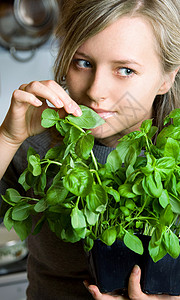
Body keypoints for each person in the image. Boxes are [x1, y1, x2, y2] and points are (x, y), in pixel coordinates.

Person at [0, 0, 180, 299]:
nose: (96, 90)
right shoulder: (35, 146)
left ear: (166, 78)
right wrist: (7, 138)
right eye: (83, 62)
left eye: (125, 70)